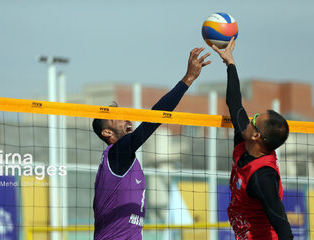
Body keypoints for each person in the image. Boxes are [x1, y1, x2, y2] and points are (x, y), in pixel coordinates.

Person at [92, 47, 211, 240]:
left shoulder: (123, 159)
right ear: (107, 132)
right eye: (117, 119)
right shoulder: (117, 153)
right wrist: (188, 79)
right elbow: (152, 120)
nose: (126, 120)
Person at [211, 38, 293, 239]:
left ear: (257, 136)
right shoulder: (244, 142)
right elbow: (234, 102)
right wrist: (230, 62)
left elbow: (280, 221)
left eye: (255, 119)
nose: (251, 118)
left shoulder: (263, 176)